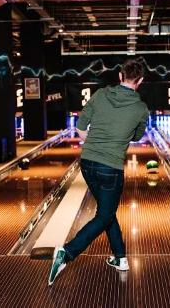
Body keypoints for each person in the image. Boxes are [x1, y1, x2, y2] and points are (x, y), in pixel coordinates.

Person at [48, 59, 149, 285]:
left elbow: (81, 128)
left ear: (120, 76)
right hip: (111, 167)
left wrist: (94, 144)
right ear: (140, 81)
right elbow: (137, 136)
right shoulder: (141, 108)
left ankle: (120, 257)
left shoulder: (100, 95)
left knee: (107, 211)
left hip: (87, 162)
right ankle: (67, 252)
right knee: (104, 214)